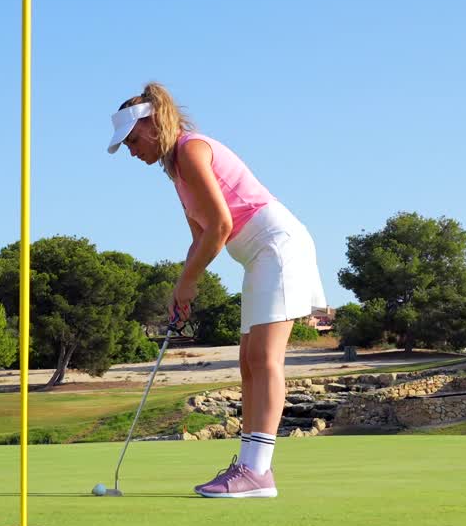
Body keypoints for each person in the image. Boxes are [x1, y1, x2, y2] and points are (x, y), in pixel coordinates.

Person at [106, 82, 326, 498]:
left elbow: (222, 226)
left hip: (276, 246)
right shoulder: (176, 172)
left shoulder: (191, 150)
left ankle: (258, 472)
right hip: (256, 255)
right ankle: (248, 467)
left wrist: (189, 282)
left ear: (154, 125)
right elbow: (201, 236)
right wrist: (180, 287)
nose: (132, 151)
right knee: (248, 360)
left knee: (263, 357)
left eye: (133, 140)